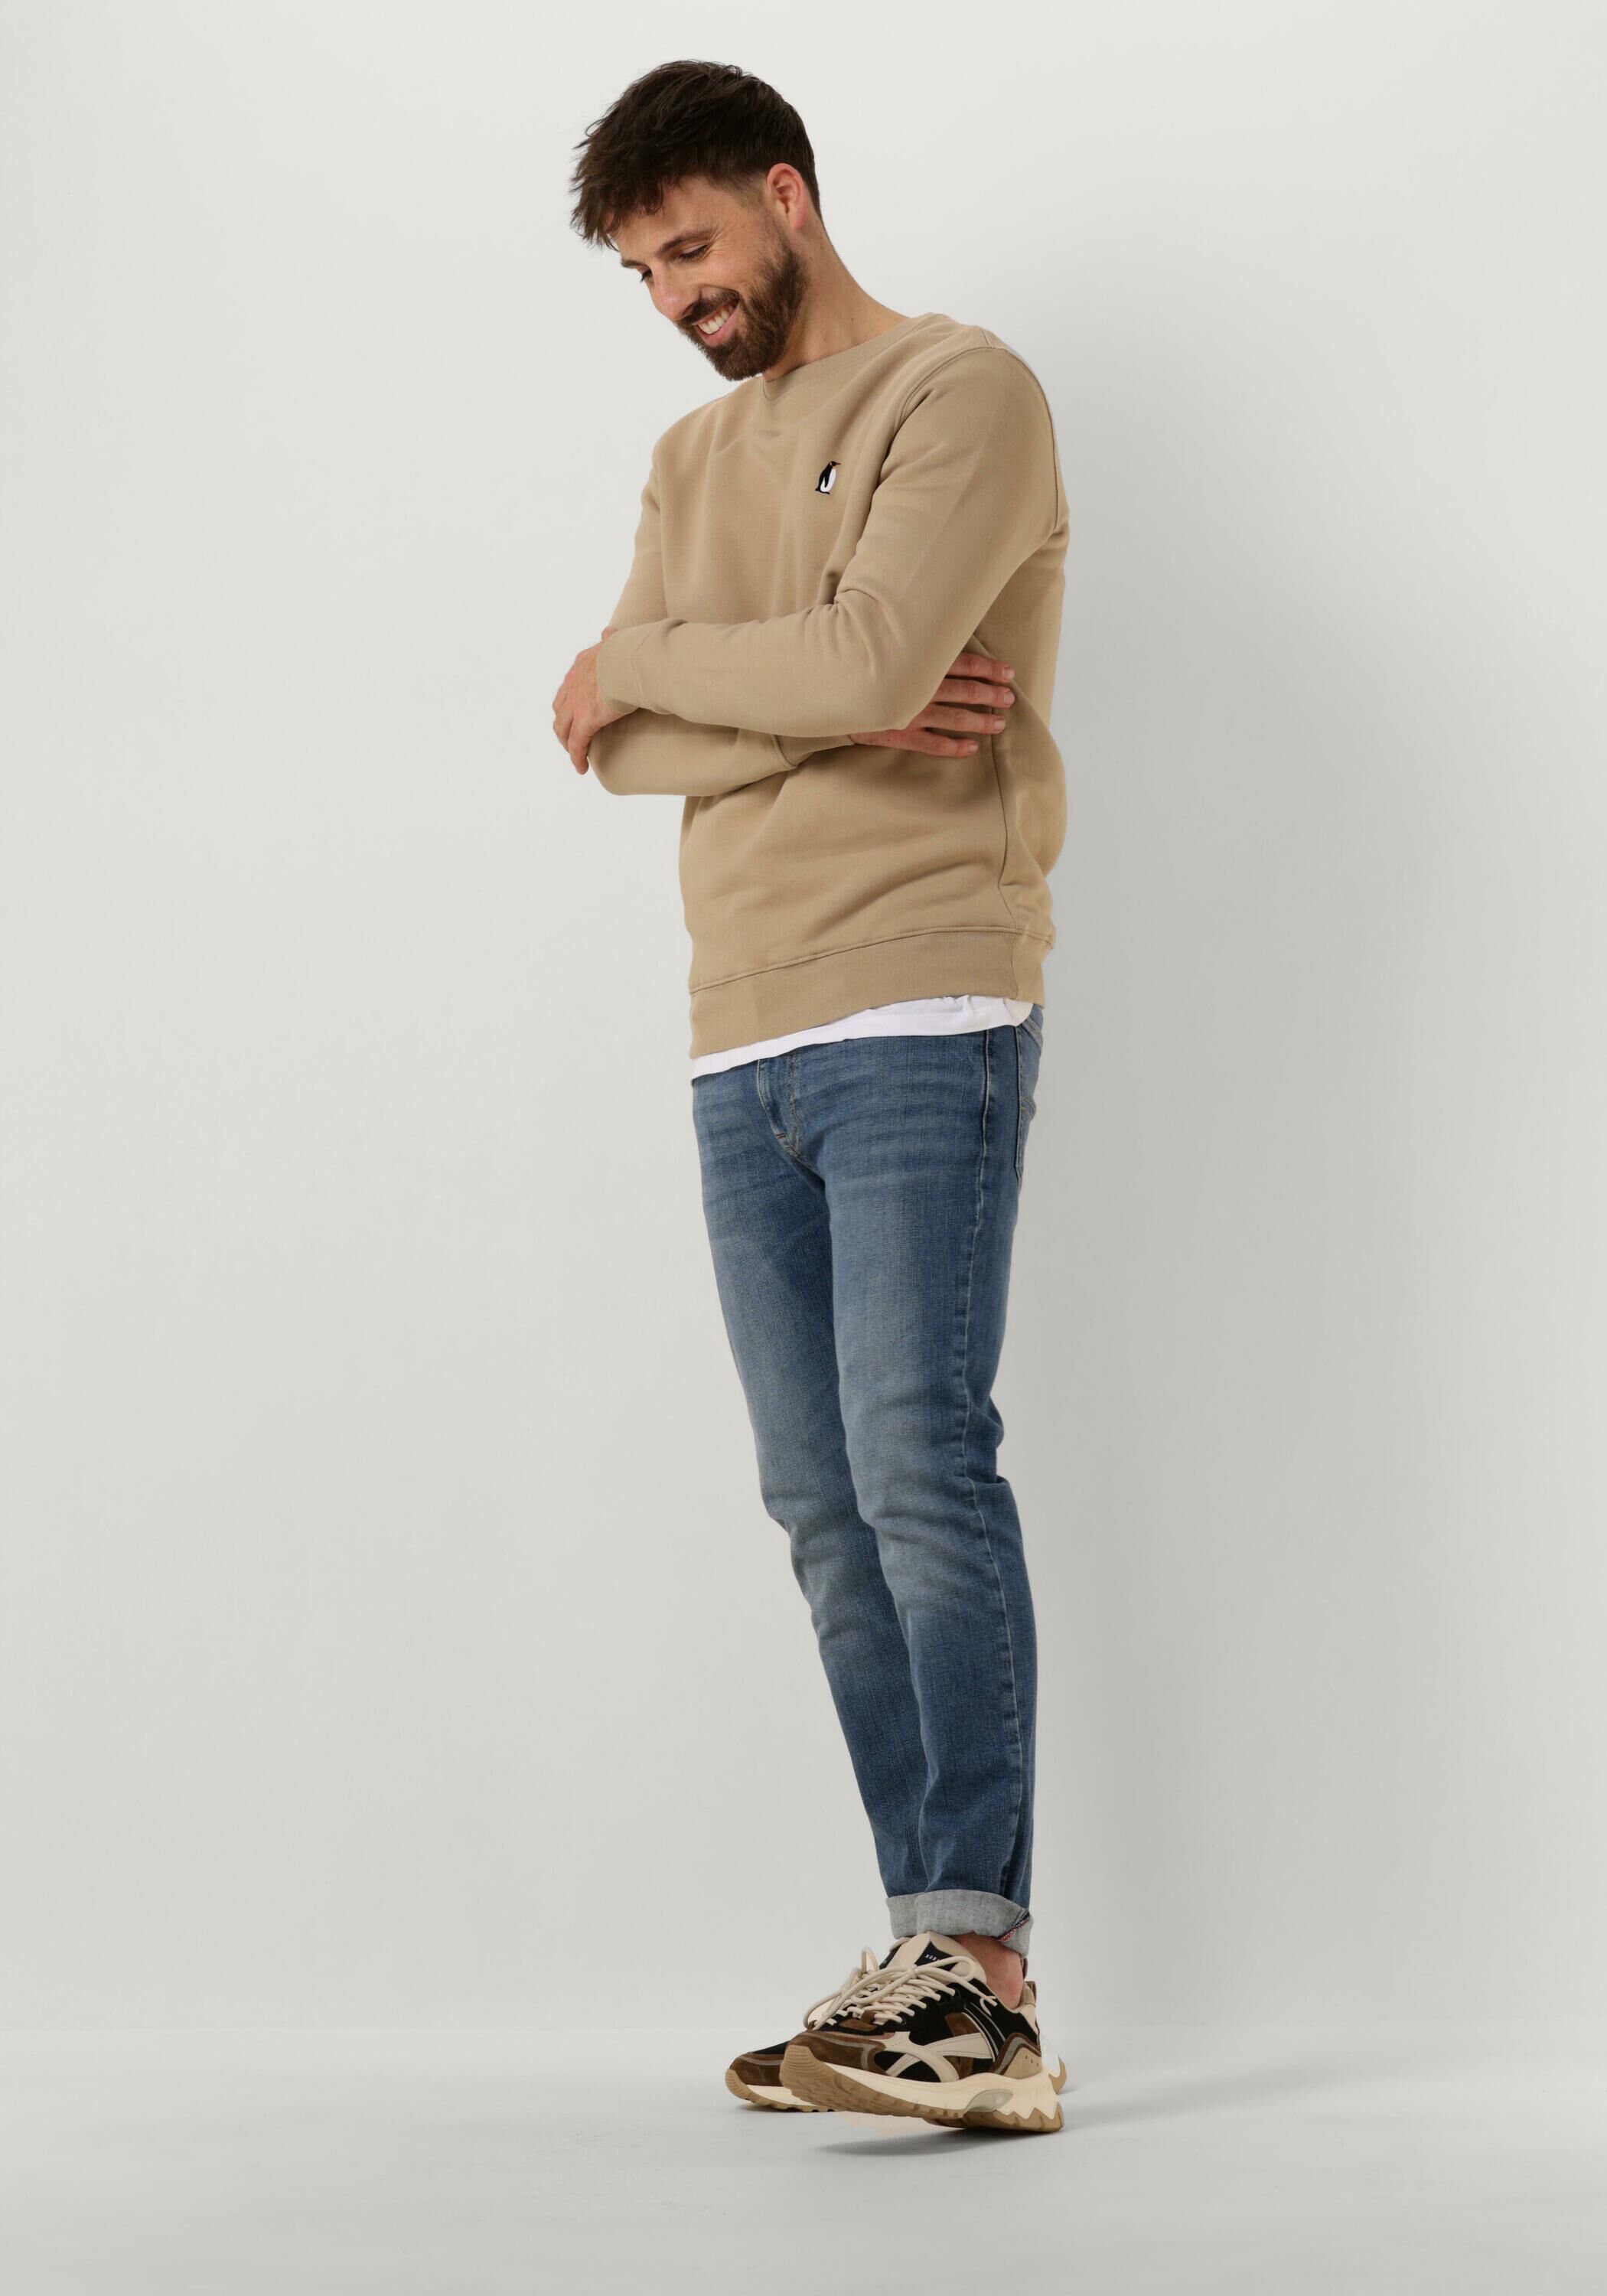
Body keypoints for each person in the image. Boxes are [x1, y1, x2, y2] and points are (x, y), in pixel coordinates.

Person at [553, 60, 1070, 2135]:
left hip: (920, 995)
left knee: (919, 1462)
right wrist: (759, 689)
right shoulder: (691, 456)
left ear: (785, 193)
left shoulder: (962, 391)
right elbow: (610, 734)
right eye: (641, 273)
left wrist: (688, 672)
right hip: (736, 1028)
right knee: (819, 1506)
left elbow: (844, 666)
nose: (675, 296)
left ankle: (985, 1973)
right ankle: (920, 1956)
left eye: (690, 246)